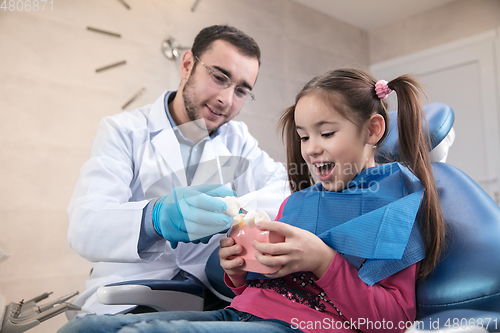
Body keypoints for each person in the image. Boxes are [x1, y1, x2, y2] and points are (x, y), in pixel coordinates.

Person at [59, 68, 446, 333]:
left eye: (325, 133)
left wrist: (324, 261)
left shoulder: (394, 208)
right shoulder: (298, 203)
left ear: (373, 129)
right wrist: (238, 271)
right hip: (241, 312)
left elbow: (392, 322)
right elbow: (259, 292)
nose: (310, 149)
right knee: (84, 326)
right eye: (303, 136)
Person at [67, 25, 290, 316]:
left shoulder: (238, 139)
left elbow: (286, 187)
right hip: (131, 294)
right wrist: (154, 218)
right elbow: (85, 225)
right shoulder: (124, 131)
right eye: (219, 77)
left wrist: (235, 210)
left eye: (241, 90)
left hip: (211, 294)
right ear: (187, 65)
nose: (227, 99)